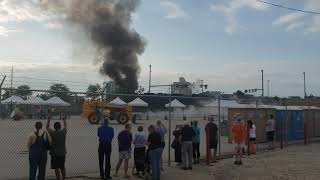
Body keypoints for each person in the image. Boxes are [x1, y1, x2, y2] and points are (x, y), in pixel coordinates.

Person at [46, 115, 68, 180]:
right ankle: (64, 178)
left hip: (54, 153)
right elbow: (66, 126)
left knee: (56, 167)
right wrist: (64, 120)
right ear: (60, 127)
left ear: (54, 127)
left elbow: (47, 127)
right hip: (62, 152)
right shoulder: (63, 132)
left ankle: (58, 178)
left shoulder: (52, 133)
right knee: (62, 167)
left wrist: (49, 119)